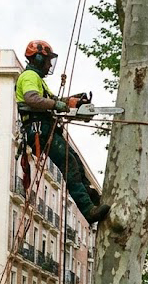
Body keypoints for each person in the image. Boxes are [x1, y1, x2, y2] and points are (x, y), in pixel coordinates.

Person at [15, 40, 109, 224]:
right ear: (39, 58)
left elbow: (53, 99)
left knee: (76, 162)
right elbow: (33, 99)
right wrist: (56, 104)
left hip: (47, 129)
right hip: (38, 130)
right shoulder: (29, 77)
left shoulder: (38, 80)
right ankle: (88, 210)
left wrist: (73, 102)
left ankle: (92, 199)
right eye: (48, 60)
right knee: (70, 165)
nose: (50, 64)